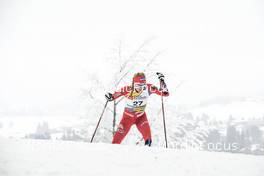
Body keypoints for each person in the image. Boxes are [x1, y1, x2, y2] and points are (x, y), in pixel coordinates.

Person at [105, 72, 169, 146]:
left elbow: (165, 93)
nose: (140, 88)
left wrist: (162, 81)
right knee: (115, 142)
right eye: (138, 85)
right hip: (127, 119)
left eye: (142, 85)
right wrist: (109, 96)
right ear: (133, 83)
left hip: (141, 118)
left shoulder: (149, 88)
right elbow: (112, 97)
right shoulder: (127, 89)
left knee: (148, 140)